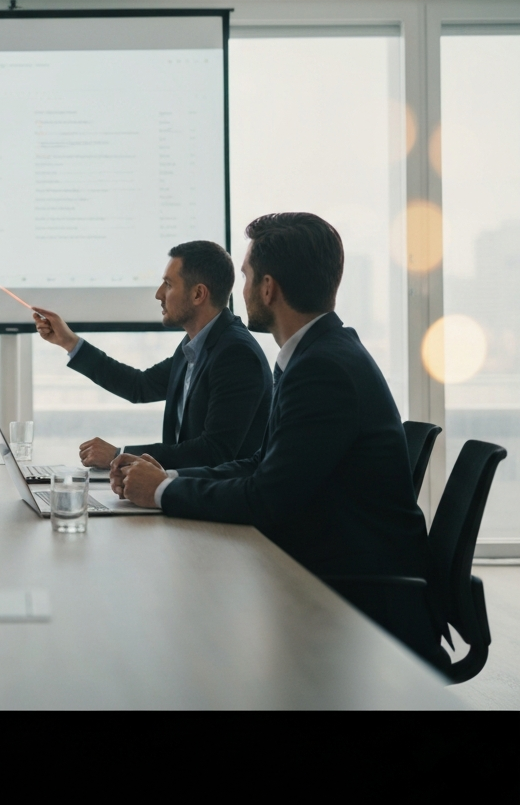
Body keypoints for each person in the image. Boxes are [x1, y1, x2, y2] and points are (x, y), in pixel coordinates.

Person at [116, 213, 444, 665]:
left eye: (248, 276)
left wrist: (163, 491)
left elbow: (267, 498)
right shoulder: (315, 354)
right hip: (333, 571)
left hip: (359, 602)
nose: (242, 288)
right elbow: (260, 463)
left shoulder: (322, 369)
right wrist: (166, 476)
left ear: (268, 288)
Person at [33, 241, 271, 473]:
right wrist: (68, 342)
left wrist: (119, 456)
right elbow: (140, 386)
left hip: (215, 504)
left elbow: (214, 452)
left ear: (198, 294)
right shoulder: (195, 345)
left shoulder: (236, 354)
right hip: (186, 492)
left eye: (168, 284)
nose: (158, 294)